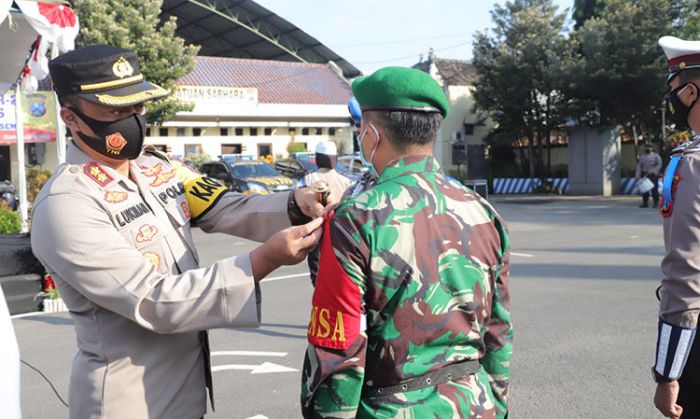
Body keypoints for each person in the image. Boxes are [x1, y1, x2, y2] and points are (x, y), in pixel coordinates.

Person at [31, 45, 329, 419]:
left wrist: (294, 204)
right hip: (130, 404)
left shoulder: (158, 169)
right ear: (71, 118)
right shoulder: (67, 204)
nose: (134, 120)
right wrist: (262, 261)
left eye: (138, 107)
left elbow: (223, 206)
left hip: (185, 394)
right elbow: (154, 300)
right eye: (116, 111)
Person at [300, 67, 513, 418]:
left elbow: (339, 353)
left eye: (360, 130)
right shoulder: (483, 212)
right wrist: (496, 406)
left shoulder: (357, 219)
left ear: (370, 134)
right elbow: (498, 332)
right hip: (476, 404)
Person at [653, 36, 700, 419]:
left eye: (673, 90)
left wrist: (667, 373)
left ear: (690, 92)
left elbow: (686, 272)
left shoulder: (691, 165)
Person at [303, 141, 351, 286]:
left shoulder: (309, 178)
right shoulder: (345, 180)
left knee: (317, 274)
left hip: (316, 231)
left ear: (318, 158)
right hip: (340, 232)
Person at [635, 142, 662, 208]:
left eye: (649, 147)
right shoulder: (642, 157)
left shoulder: (656, 156)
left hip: (653, 175)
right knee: (644, 190)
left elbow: (659, 165)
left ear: (652, 148)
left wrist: (653, 171)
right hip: (645, 175)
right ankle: (645, 203)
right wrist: (637, 175)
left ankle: (656, 203)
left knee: (654, 189)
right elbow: (639, 166)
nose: (648, 148)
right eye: (646, 147)